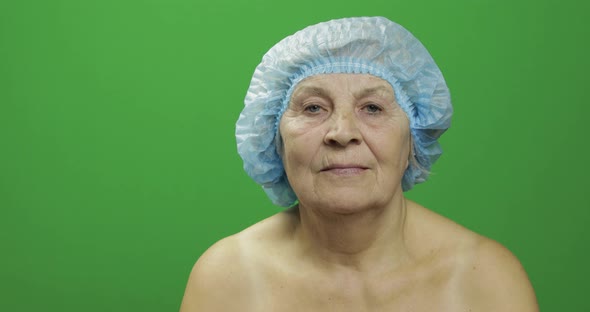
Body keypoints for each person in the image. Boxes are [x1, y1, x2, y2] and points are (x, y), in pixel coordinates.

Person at [180, 17, 538, 311]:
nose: (342, 132)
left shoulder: (484, 280)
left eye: (373, 108)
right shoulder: (227, 281)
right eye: (313, 108)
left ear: (413, 136)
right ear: (275, 137)